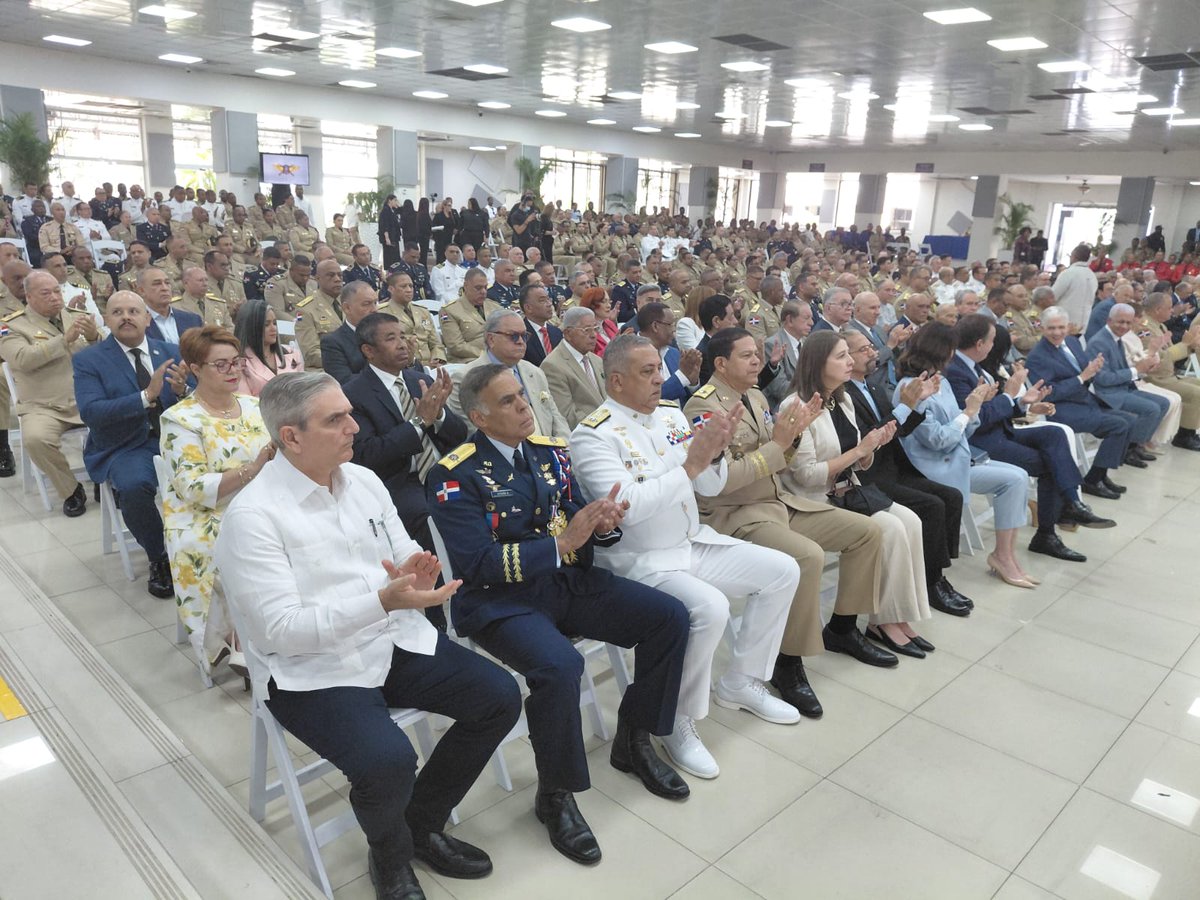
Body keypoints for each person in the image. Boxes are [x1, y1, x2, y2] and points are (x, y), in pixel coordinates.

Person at [214, 372, 520, 900]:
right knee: (388, 759)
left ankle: (419, 824)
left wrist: (414, 573)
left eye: (350, 412)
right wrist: (382, 599)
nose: (355, 426)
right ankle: (391, 855)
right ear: (291, 437)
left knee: (499, 697)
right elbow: (281, 632)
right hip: (312, 670)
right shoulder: (253, 518)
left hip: (390, 637)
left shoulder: (364, 481)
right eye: (336, 419)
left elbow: (398, 550)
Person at [429, 363, 692, 863]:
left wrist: (602, 524)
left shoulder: (551, 453)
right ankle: (556, 795)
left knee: (669, 617)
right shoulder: (453, 474)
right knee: (559, 667)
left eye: (522, 395)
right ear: (479, 417)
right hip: (499, 600)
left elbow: (574, 516)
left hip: (566, 583)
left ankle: (634, 740)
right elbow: (475, 563)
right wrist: (561, 543)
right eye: (507, 401)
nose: (524, 405)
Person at [571, 335, 804, 780]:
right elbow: (631, 507)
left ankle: (742, 681)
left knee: (781, 571)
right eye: (647, 372)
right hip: (640, 560)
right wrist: (692, 464)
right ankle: (678, 718)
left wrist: (713, 452)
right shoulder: (593, 435)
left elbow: (710, 487)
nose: (660, 378)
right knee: (709, 608)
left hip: (690, 541)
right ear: (616, 381)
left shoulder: (671, 416)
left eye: (660, 368)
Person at [777, 330, 932, 654]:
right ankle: (874, 623)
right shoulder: (795, 406)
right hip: (813, 502)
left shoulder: (841, 398)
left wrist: (871, 448)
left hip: (849, 491)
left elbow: (858, 461)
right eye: (841, 356)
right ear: (819, 363)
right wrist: (859, 450)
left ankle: (895, 617)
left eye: (850, 354)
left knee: (911, 520)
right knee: (888, 528)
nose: (851, 362)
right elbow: (805, 476)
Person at [947, 314, 1111, 563]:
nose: (994, 347)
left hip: (999, 431)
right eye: (991, 341)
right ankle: (1049, 531)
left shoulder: (973, 365)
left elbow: (994, 411)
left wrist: (1023, 402)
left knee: (1054, 434)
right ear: (980, 344)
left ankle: (1071, 502)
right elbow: (973, 419)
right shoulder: (956, 372)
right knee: (1049, 464)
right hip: (979, 442)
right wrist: (1009, 396)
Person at [160, 326, 274, 669]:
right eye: (220, 365)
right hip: (206, 512)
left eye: (236, 362)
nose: (232, 371)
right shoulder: (180, 418)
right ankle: (245, 637)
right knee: (239, 545)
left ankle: (271, 631)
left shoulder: (256, 407)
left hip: (262, 501)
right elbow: (192, 487)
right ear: (195, 369)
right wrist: (252, 470)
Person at [894, 324, 1039, 588]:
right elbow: (938, 440)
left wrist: (975, 406)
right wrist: (968, 413)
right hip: (933, 467)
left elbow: (961, 431)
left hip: (957, 457)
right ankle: (1002, 557)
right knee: (1013, 480)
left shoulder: (942, 381)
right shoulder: (911, 387)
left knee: (1019, 475)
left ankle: (1006, 555)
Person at [842, 329, 974, 614]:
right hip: (869, 475)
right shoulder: (845, 395)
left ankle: (935, 573)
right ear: (846, 358)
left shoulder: (872, 386)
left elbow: (898, 429)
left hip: (893, 465)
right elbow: (870, 438)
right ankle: (930, 582)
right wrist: (908, 405)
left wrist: (916, 406)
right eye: (863, 349)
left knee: (951, 497)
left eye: (871, 347)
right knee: (932, 505)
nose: (873, 352)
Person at [344, 312, 466, 620]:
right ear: (368, 351)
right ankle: (437, 612)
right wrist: (419, 421)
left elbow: (458, 436)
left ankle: (479, 591)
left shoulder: (418, 379)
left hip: (441, 472)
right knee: (427, 519)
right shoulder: (354, 393)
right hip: (399, 481)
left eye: (402, 336)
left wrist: (438, 415)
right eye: (390, 339)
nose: (402, 345)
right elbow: (369, 454)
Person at [72, 291, 185, 598]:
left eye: (134, 311)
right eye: (117, 312)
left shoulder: (171, 351)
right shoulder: (89, 360)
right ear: (106, 320)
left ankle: (207, 545)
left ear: (147, 319)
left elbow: (198, 399)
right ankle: (159, 557)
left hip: (176, 439)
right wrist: (145, 397)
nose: (126, 317)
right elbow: (91, 412)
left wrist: (183, 390)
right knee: (134, 487)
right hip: (124, 445)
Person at [0, 269, 100, 515]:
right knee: (35, 439)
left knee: (122, 419)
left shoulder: (79, 317)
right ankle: (70, 489)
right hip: (43, 406)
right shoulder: (11, 326)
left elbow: (109, 354)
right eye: (46, 293)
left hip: (86, 399)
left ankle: (104, 477)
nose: (55, 297)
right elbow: (21, 359)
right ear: (29, 296)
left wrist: (95, 337)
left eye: (57, 291)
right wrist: (63, 340)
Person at [1024, 306, 1135, 496]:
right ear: (1042, 328)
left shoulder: (1072, 343)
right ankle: (1092, 480)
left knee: (1130, 420)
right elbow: (1047, 393)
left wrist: (1094, 368)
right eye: (1051, 328)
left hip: (1084, 401)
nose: (1057, 332)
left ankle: (1101, 473)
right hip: (1061, 409)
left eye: (1061, 327)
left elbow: (1086, 371)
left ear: (1068, 327)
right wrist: (1081, 378)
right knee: (1119, 425)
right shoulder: (1037, 356)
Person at [447, 309, 571, 439]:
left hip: (548, 450)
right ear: (491, 339)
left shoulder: (534, 371)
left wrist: (566, 448)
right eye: (513, 336)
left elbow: (555, 417)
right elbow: (474, 432)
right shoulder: (464, 378)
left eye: (524, 336)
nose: (520, 342)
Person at [1085, 302, 1172, 458]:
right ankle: (1126, 450)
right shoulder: (1100, 342)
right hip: (1106, 393)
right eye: (1120, 322)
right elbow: (1103, 379)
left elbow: (1125, 369)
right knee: (1151, 409)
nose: (1124, 326)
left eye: (1128, 322)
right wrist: (1136, 370)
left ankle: (1135, 445)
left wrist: (1143, 370)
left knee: (1164, 403)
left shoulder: (1116, 338)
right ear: (1109, 321)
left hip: (1122, 387)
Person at [1138, 291, 1200, 450]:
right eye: (1169, 308)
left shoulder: (1160, 325)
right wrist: (1185, 345)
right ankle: (1184, 436)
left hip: (1168, 375)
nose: (1172, 311)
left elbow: (1172, 355)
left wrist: (1191, 346)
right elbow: (1157, 357)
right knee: (1195, 393)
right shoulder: (1144, 328)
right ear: (1158, 309)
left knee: (1198, 384)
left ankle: (1190, 431)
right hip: (1153, 378)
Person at [541, 306, 606, 429]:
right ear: (568, 333)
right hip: (586, 435)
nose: (594, 335)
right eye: (586, 330)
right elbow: (567, 415)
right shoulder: (553, 366)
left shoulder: (596, 360)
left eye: (595, 329)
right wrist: (606, 428)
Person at [233, 299, 303, 395]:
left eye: (274, 323)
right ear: (251, 327)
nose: (273, 329)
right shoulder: (238, 361)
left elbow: (303, 392)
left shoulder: (292, 353)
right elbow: (244, 400)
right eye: (266, 325)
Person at [636, 302, 702, 403]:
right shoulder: (632, 356)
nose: (674, 329)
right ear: (655, 326)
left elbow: (685, 396)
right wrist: (682, 376)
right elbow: (649, 397)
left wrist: (692, 382)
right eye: (671, 324)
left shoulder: (673, 353)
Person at [379, 270, 446, 367]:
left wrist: (437, 359)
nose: (409, 290)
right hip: (406, 366)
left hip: (433, 365)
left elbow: (435, 343)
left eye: (410, 286)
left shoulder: (423, 311)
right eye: (403, 286)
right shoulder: (382, 313)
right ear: (391, 289)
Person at [319, 280, 379, 384]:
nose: (374, 309)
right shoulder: (333, 342)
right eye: (366, 304)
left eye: (375, 303)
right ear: (347, 308)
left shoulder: (383, 334)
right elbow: (344, 381)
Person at [439, 268, 500, 362]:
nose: (483, 291)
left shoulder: (494, 306)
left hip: (497, 358)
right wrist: (486, 355)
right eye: (478, 288)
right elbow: (456, 346)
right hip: (467, 361)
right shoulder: (450, 310)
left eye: (485, 287)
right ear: (466, 286)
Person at [294, 259, 345, 370]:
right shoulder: (305, 309)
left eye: (340, 275)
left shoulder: (349, 302)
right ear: (317, 278)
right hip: (326, 369)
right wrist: (344, 359)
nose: (337, 279)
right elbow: (311, 354)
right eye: (330, 275)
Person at [138, 266, 202, 344]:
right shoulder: (137, 323)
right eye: (157, 284)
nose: (164, 288)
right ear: (141, 291)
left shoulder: (193, 320)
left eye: (167, 283)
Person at [1051, 244, 1098, 329]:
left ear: (1074, 257)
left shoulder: (1068, 273)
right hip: (1083, 324)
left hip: (1064, 322)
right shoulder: (1092, 276)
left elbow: (1052, 296)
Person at [520, 283, 562, 367]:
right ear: (528, 308)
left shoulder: (557, 332)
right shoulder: (520, 335)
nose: (549, 304)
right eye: (542, 300)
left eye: (548, 299)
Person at [579, 286, 619, 355]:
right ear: (592, 305)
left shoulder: (609, 323)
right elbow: (591, 358)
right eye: (604, 302)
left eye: (609, 302)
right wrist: (615, 344)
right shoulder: (585, 330)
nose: (609, 305)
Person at [377, 195, 402, 269]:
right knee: (390, 257)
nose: (396, 202)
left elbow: (401, 209)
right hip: (390, 237)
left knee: (395, 257)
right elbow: (385, 225)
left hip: (394, 236)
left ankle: (395, 271)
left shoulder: (392, 210)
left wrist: (398, 204)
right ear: (389, 200)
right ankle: (390, 273)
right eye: (394, 200)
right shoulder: (385, 211)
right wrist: (387, 238)